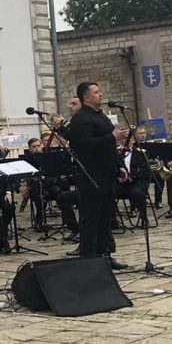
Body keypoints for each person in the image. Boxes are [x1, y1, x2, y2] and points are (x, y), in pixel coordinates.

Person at [59, 82, 127, 269]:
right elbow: (84, 144)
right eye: (97, 92)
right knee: (91, 217)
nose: (101, 94)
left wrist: (119, 166)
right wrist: (112, 137)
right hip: (91, 176)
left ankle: (105, 255)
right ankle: (89, 259)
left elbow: (109, 147)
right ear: (87, 97)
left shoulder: (101, 115)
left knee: (106, 217)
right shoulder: (81, 119)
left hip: (107, 172)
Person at [115, 137, 152, 227]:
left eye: (127, 139)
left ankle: (144, 218)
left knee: (137, 193)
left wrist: (133, 177)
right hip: (122, 183)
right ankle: (113, 220)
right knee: (107, 193)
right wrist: (118, 177)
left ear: (133, 140)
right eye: (123, 139)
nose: (125, 141)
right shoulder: (117, 153)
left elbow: (146, 171)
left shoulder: (141, 152)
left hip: (136, 182)